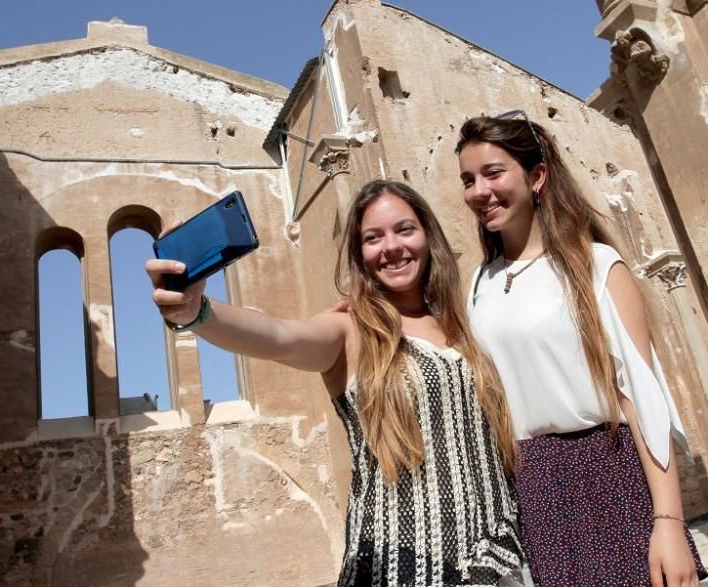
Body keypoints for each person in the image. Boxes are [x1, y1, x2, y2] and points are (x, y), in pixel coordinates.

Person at [146, 179, 525, 587]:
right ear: (361, 256)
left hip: (494, 559)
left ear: (428, 237)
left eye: (405, 229)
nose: (391, 246)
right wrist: (197, 311)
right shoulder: (352, 330)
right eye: (372, 238)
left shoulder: (466, 326)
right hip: (401, 565)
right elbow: (278, 337)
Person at [455, 114, 708, 587]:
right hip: (535, 489)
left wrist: (669, 524)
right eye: (468, 180)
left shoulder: (597, 265)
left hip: (610, 472)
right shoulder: (478, 284)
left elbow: (641, 398)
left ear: (537, 176)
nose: (478, 191)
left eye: (493, 172)